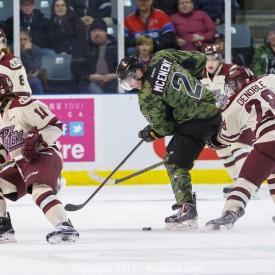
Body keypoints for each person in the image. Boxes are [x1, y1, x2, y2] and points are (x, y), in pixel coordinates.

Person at [116, 49, 222, 229]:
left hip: (194, 121)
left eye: (129, 80)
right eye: (126, 83)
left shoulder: (146, 96)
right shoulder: (162, 56)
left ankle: (187, 208)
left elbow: (166, 127)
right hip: (215, 107)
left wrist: (152, 133)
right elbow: (199, 59)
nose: (131, 85)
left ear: (138, 71)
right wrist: (192, 80)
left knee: (174, 163)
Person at [0, 36, 79, 243]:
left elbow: (56, 126)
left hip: (44, 155)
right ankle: (3, 227)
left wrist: (37, 141)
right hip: (19, 163)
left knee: (38, 189)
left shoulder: (22, 104)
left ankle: (64, 226)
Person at [205, 66, 275, 231]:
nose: (230, 89)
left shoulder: (233, 104)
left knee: (246, 181)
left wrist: (214, 141)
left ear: (238, 83)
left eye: (231, 85)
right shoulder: (270, 79)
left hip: (269, 140)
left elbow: (226, 138)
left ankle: (231, 212)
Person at [201, 44, 253, 195]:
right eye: (207, 59)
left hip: (237, 114)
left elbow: (247, 86)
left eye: (214, 58)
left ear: (220, 59)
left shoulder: (232, 70)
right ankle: (237, 182)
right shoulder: (198, 74)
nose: (210, 63)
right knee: (222, 150)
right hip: (216, 119)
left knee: (237, 147)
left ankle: (247, 184)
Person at [72, 19, 117, 94]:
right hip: (89, 82)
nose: (97, 33)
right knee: (97, 92)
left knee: (122, 87)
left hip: (114, 80)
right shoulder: (83, 47)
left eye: (100, 30)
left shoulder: (115, 46)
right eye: (94, 31)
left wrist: (113, 76)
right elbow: (75, 67)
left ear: (106, 32)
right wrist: (89, 76)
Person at [20, 29, 44, 94]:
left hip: (31, 77)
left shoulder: (36, 49)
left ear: (30, 39)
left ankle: (41, 103)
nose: (23, 42)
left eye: (25, 39)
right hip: (17, 76)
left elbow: (34, 68)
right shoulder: (12, 48)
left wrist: (25, 53)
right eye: (21, 40)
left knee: (35, 82)